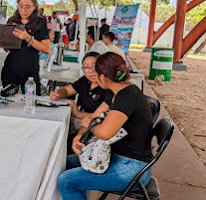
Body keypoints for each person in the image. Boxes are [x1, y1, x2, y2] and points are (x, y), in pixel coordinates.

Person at [57, 52, 153, 200]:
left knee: (66, 181)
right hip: (117, 157)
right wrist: (80, 135)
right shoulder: (119, 92)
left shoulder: (126, 96)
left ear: (103, 77)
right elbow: (96, 116)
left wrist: (90, 123)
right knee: (62, 163)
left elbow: (103, 133)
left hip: (132, 168)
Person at [1, 0, 50, 95]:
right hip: (10, 69)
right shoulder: (12, 20)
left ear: (35, 6)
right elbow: (6, 49)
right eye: (20, 6)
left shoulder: (40, 22)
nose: (23, 10)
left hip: (30, 71)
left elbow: (46, 49)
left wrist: (28, 38)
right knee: (8, 103)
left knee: (31, 103)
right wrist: (4, 38)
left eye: (27, 7)